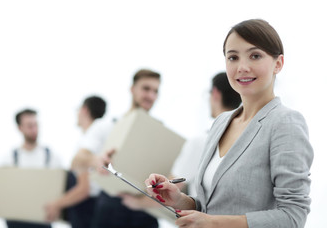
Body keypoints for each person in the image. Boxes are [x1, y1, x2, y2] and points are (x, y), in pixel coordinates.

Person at [145, 19, 313, 228]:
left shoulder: (285, 123)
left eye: (255, 56)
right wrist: (179, 199)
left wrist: (214, 223)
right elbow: (213, 207)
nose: (242, 67)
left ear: (278, 63)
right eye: (233, 57)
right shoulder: (221, 122)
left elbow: (292, 216)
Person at [120, 72, 241, 211]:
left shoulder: (202, 142)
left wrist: (136, 202)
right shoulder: (249, 140)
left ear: (215, 93)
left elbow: (170, 190)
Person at [91, 69, 161, 228]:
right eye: (146, 89)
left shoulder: (159, 133)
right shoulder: (107, 125)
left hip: (145, 211)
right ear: (132, 89)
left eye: (155, 91)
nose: (151, 96)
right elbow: (78, 159)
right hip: (109, 209)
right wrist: (97, 160)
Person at [0, 109, 62, 228]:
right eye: (29, 126)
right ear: (20, 128)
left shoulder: (52, 157)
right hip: (15, 221)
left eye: (36, 125)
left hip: (43, 220)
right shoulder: (9, 158)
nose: (34, 129)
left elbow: (62, 188)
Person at [45, 96, 113, 228]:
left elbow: (84, 189)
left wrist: (55, 204)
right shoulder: (102, 134)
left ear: (84, 110)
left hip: (87, 209)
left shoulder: (93, 132)